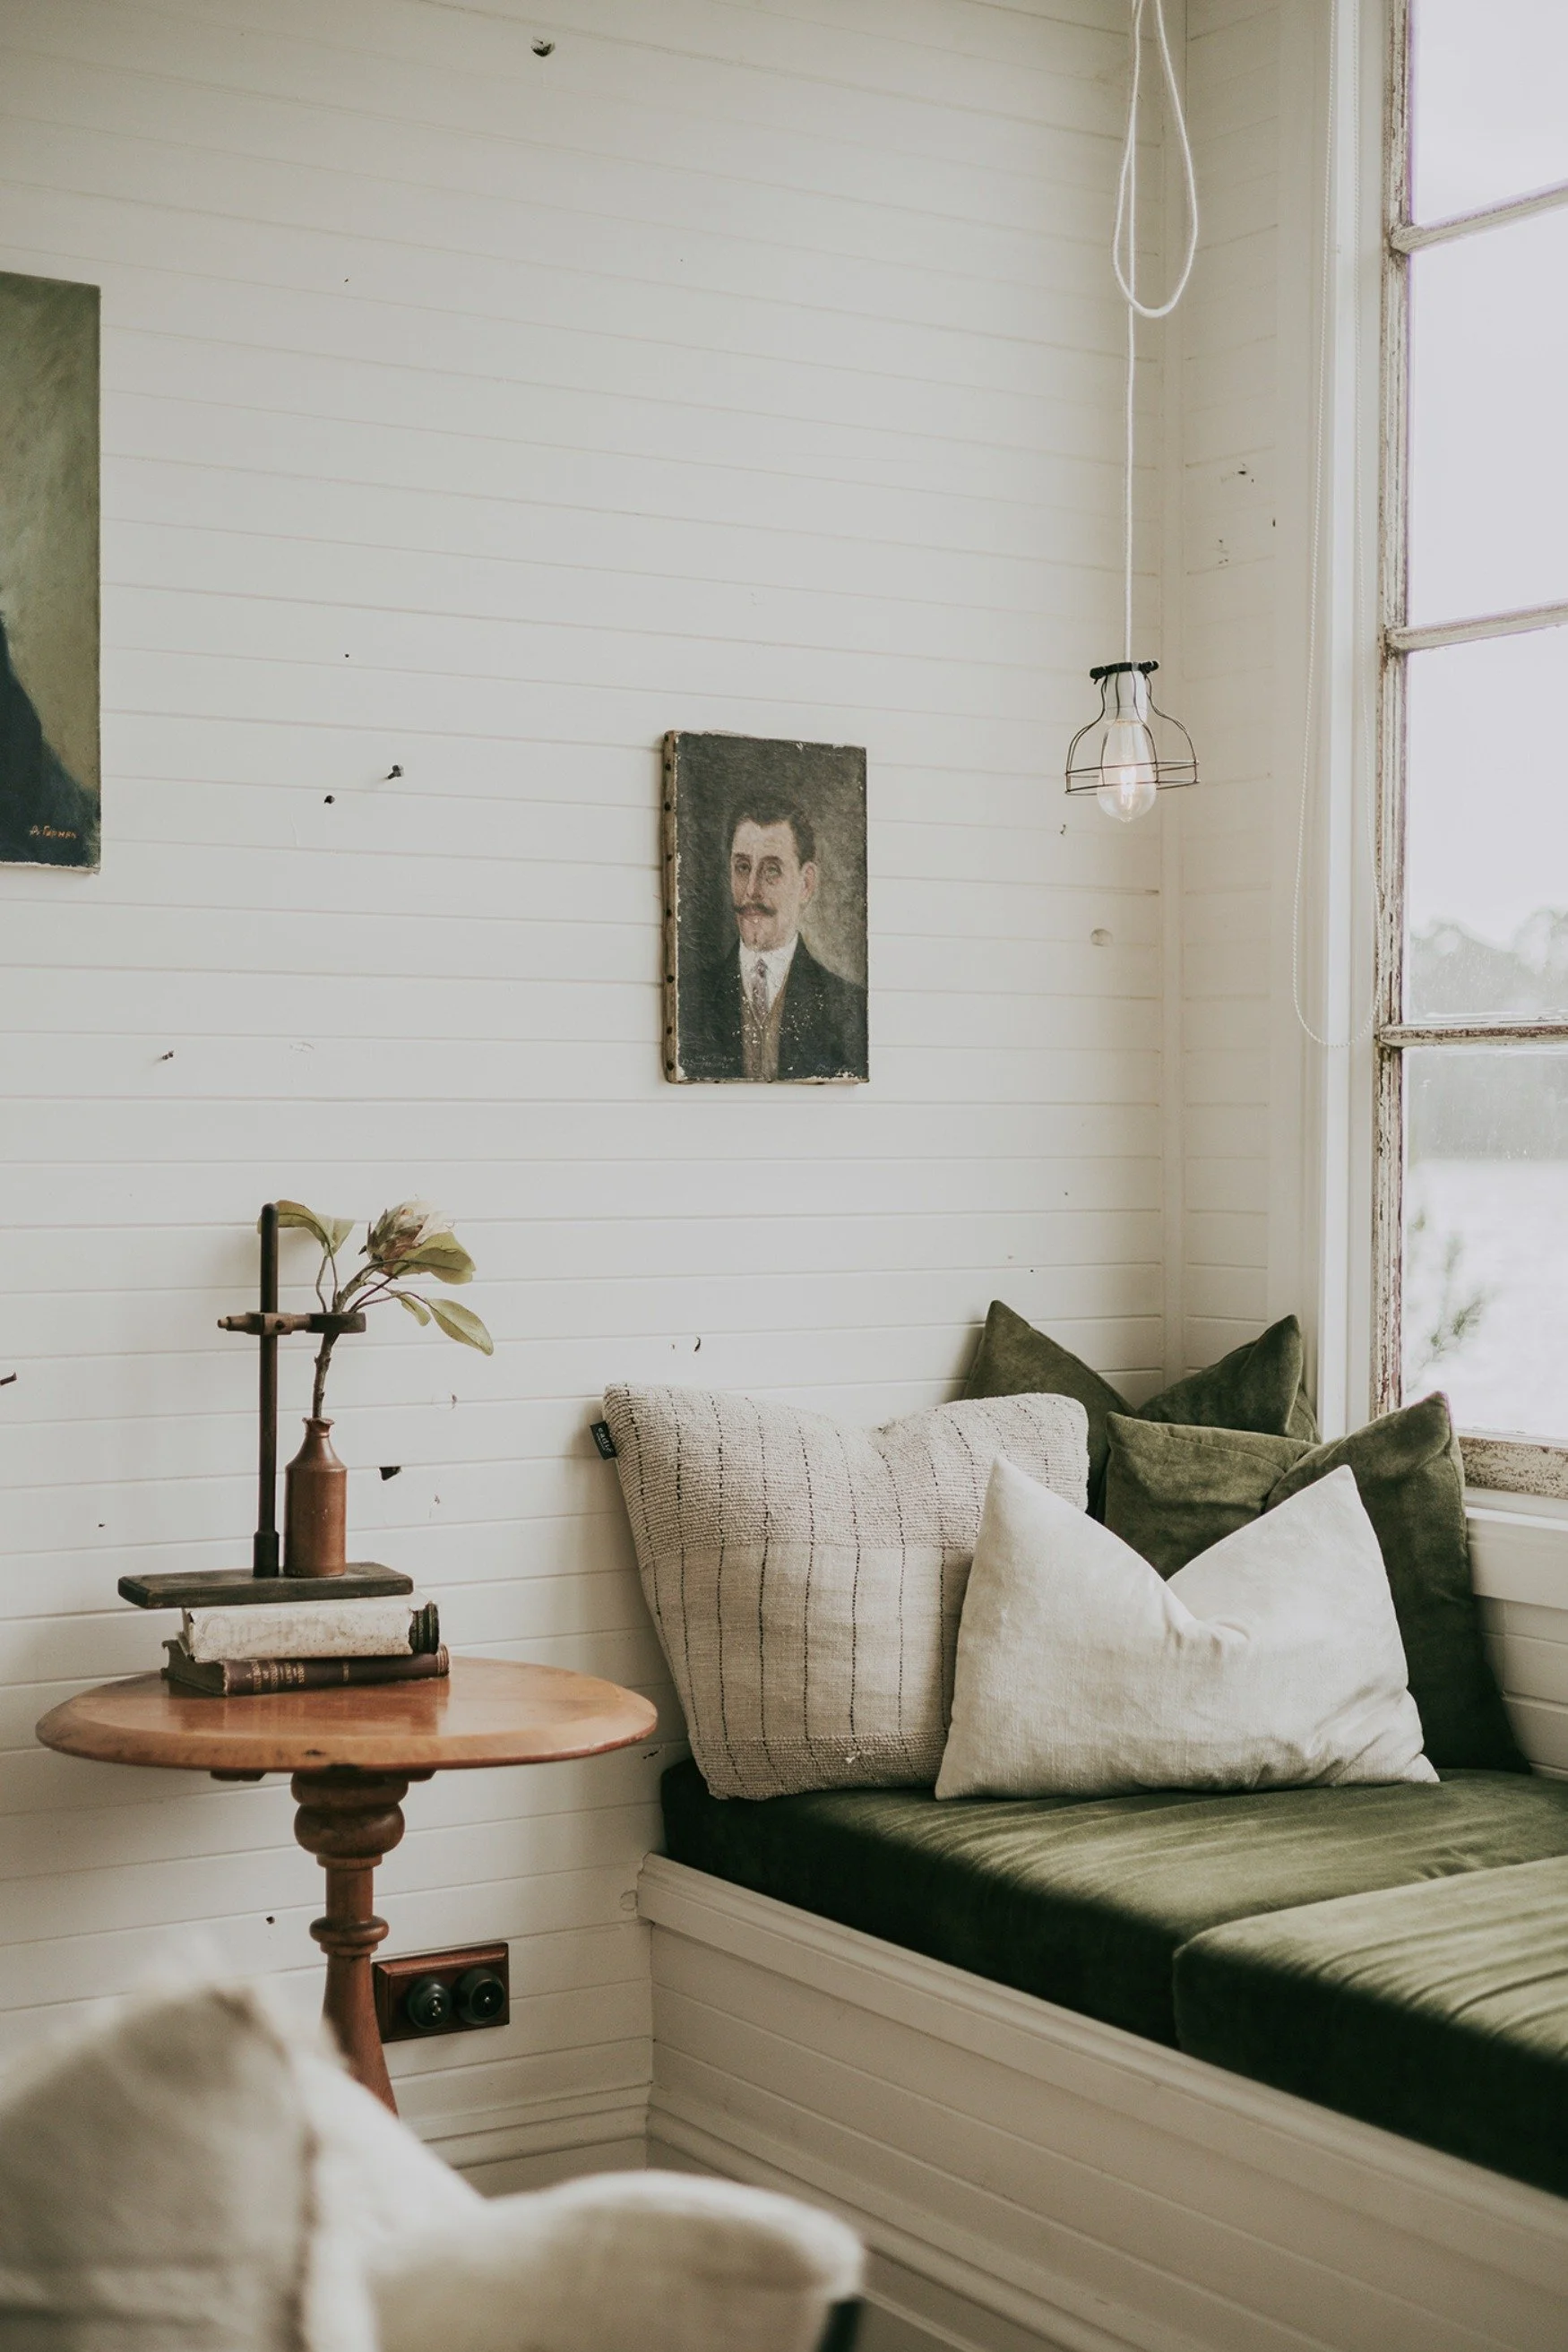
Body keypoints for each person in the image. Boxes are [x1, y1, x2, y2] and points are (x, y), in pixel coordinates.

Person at [679, 793, 866, 1081]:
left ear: (805, 884)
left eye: (771, 871)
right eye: (742, 867)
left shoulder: (848, 1006)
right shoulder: (689, 998)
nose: (751, 891)